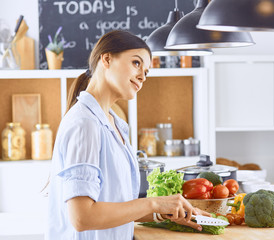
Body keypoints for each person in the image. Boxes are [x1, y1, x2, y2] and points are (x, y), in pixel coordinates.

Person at [46, 30, 208, 240]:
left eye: (147, 71)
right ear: (107, 59)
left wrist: (162, 212)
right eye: (136, 63)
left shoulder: (115, 125)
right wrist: (153, 202)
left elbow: (115, 205)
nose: (142, 75)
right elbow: (82, 217)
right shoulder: (84, 124)